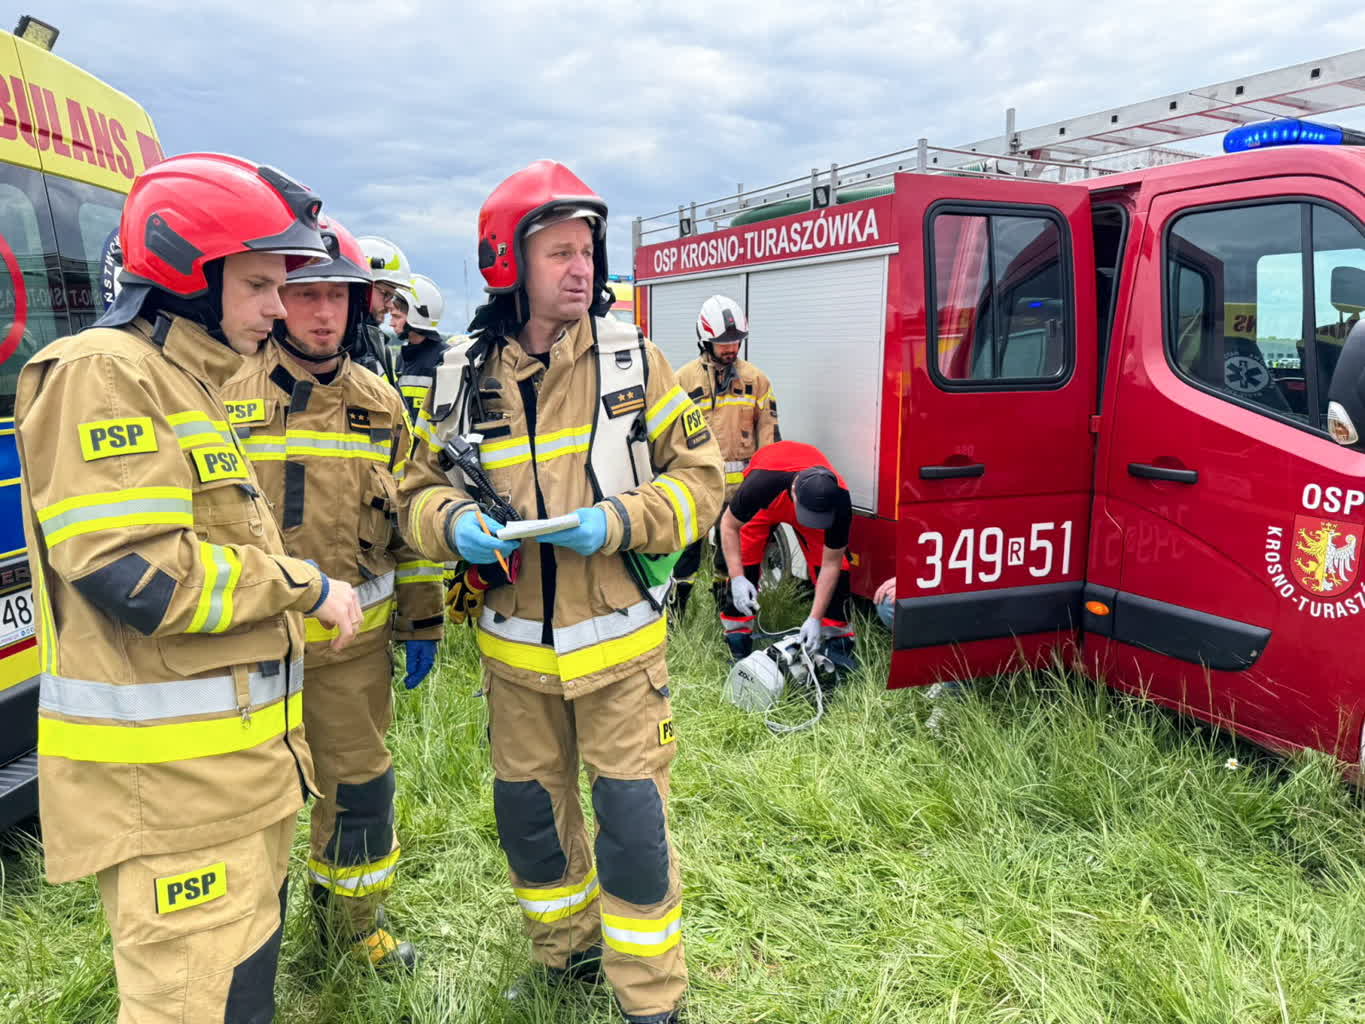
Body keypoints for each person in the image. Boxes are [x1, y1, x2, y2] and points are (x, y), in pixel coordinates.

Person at [14, 153, 364, 1022]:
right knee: (186, 1004)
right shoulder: (105, 373)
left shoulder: (188, 383)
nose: (280, 308)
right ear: (185, 273)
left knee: (238, 995)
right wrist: (301, 584)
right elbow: (137, 575)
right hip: (170, 793)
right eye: (258, 285)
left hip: (235, 780)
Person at [398, 159, 722, 1024]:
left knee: (632, 831)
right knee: (531, 823)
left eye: (587, 251)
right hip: (513, 661)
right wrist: (451, 526)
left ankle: (650, 1002)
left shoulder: (635, 360)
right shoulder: (462, 376)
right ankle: (565, 956)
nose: (580, 268)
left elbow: (702, 481)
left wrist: (618, 522)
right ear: (508, 263)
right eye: (559, 254)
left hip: (619, 653)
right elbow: (415, 492)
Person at [221, 217, 444, 970]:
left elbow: (411, 524)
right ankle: (246, 946)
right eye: (304, 293)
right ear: (278, 299)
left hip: (352, 657)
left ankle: (354, 931)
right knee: (249, 808)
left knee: (359, 792)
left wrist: (423, 623)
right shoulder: (221, 392)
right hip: (245, 654)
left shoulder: (383, 405)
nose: (321, 313)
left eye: (337, 297)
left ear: (359, 306)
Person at [671, 295, 778, 619]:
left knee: (730, 558)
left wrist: (766, 488)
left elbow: (770, 435)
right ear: (705, 340)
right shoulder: (683, 381)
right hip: (698, 487)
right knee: (685, 557)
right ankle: (675, 618)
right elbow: (669, 436)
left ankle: (728, 615)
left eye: (736, 341)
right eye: (723, 342)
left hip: (740, 491)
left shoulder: (756, 381)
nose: (731, 348)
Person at [719, 440, 857, 668]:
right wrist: (737, 578)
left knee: (837, 570)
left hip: (808, 500)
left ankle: (836, 646)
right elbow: (728, 525)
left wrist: (815, 618)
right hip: (769, 501)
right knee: (746, 560)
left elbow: (831, 564)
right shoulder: (761, 483)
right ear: (794, 491)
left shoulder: (839, 500)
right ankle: (737, 641)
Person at [356, 235, 413, 386]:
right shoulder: (343, 350)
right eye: (386, 294)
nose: (389, 306)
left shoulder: (373, 344)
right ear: (361, 287)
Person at [396, 273, 450, 423]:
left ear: (416, 316)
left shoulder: (445, 359)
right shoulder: (402, 358)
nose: (391, 323)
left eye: (396, 317)